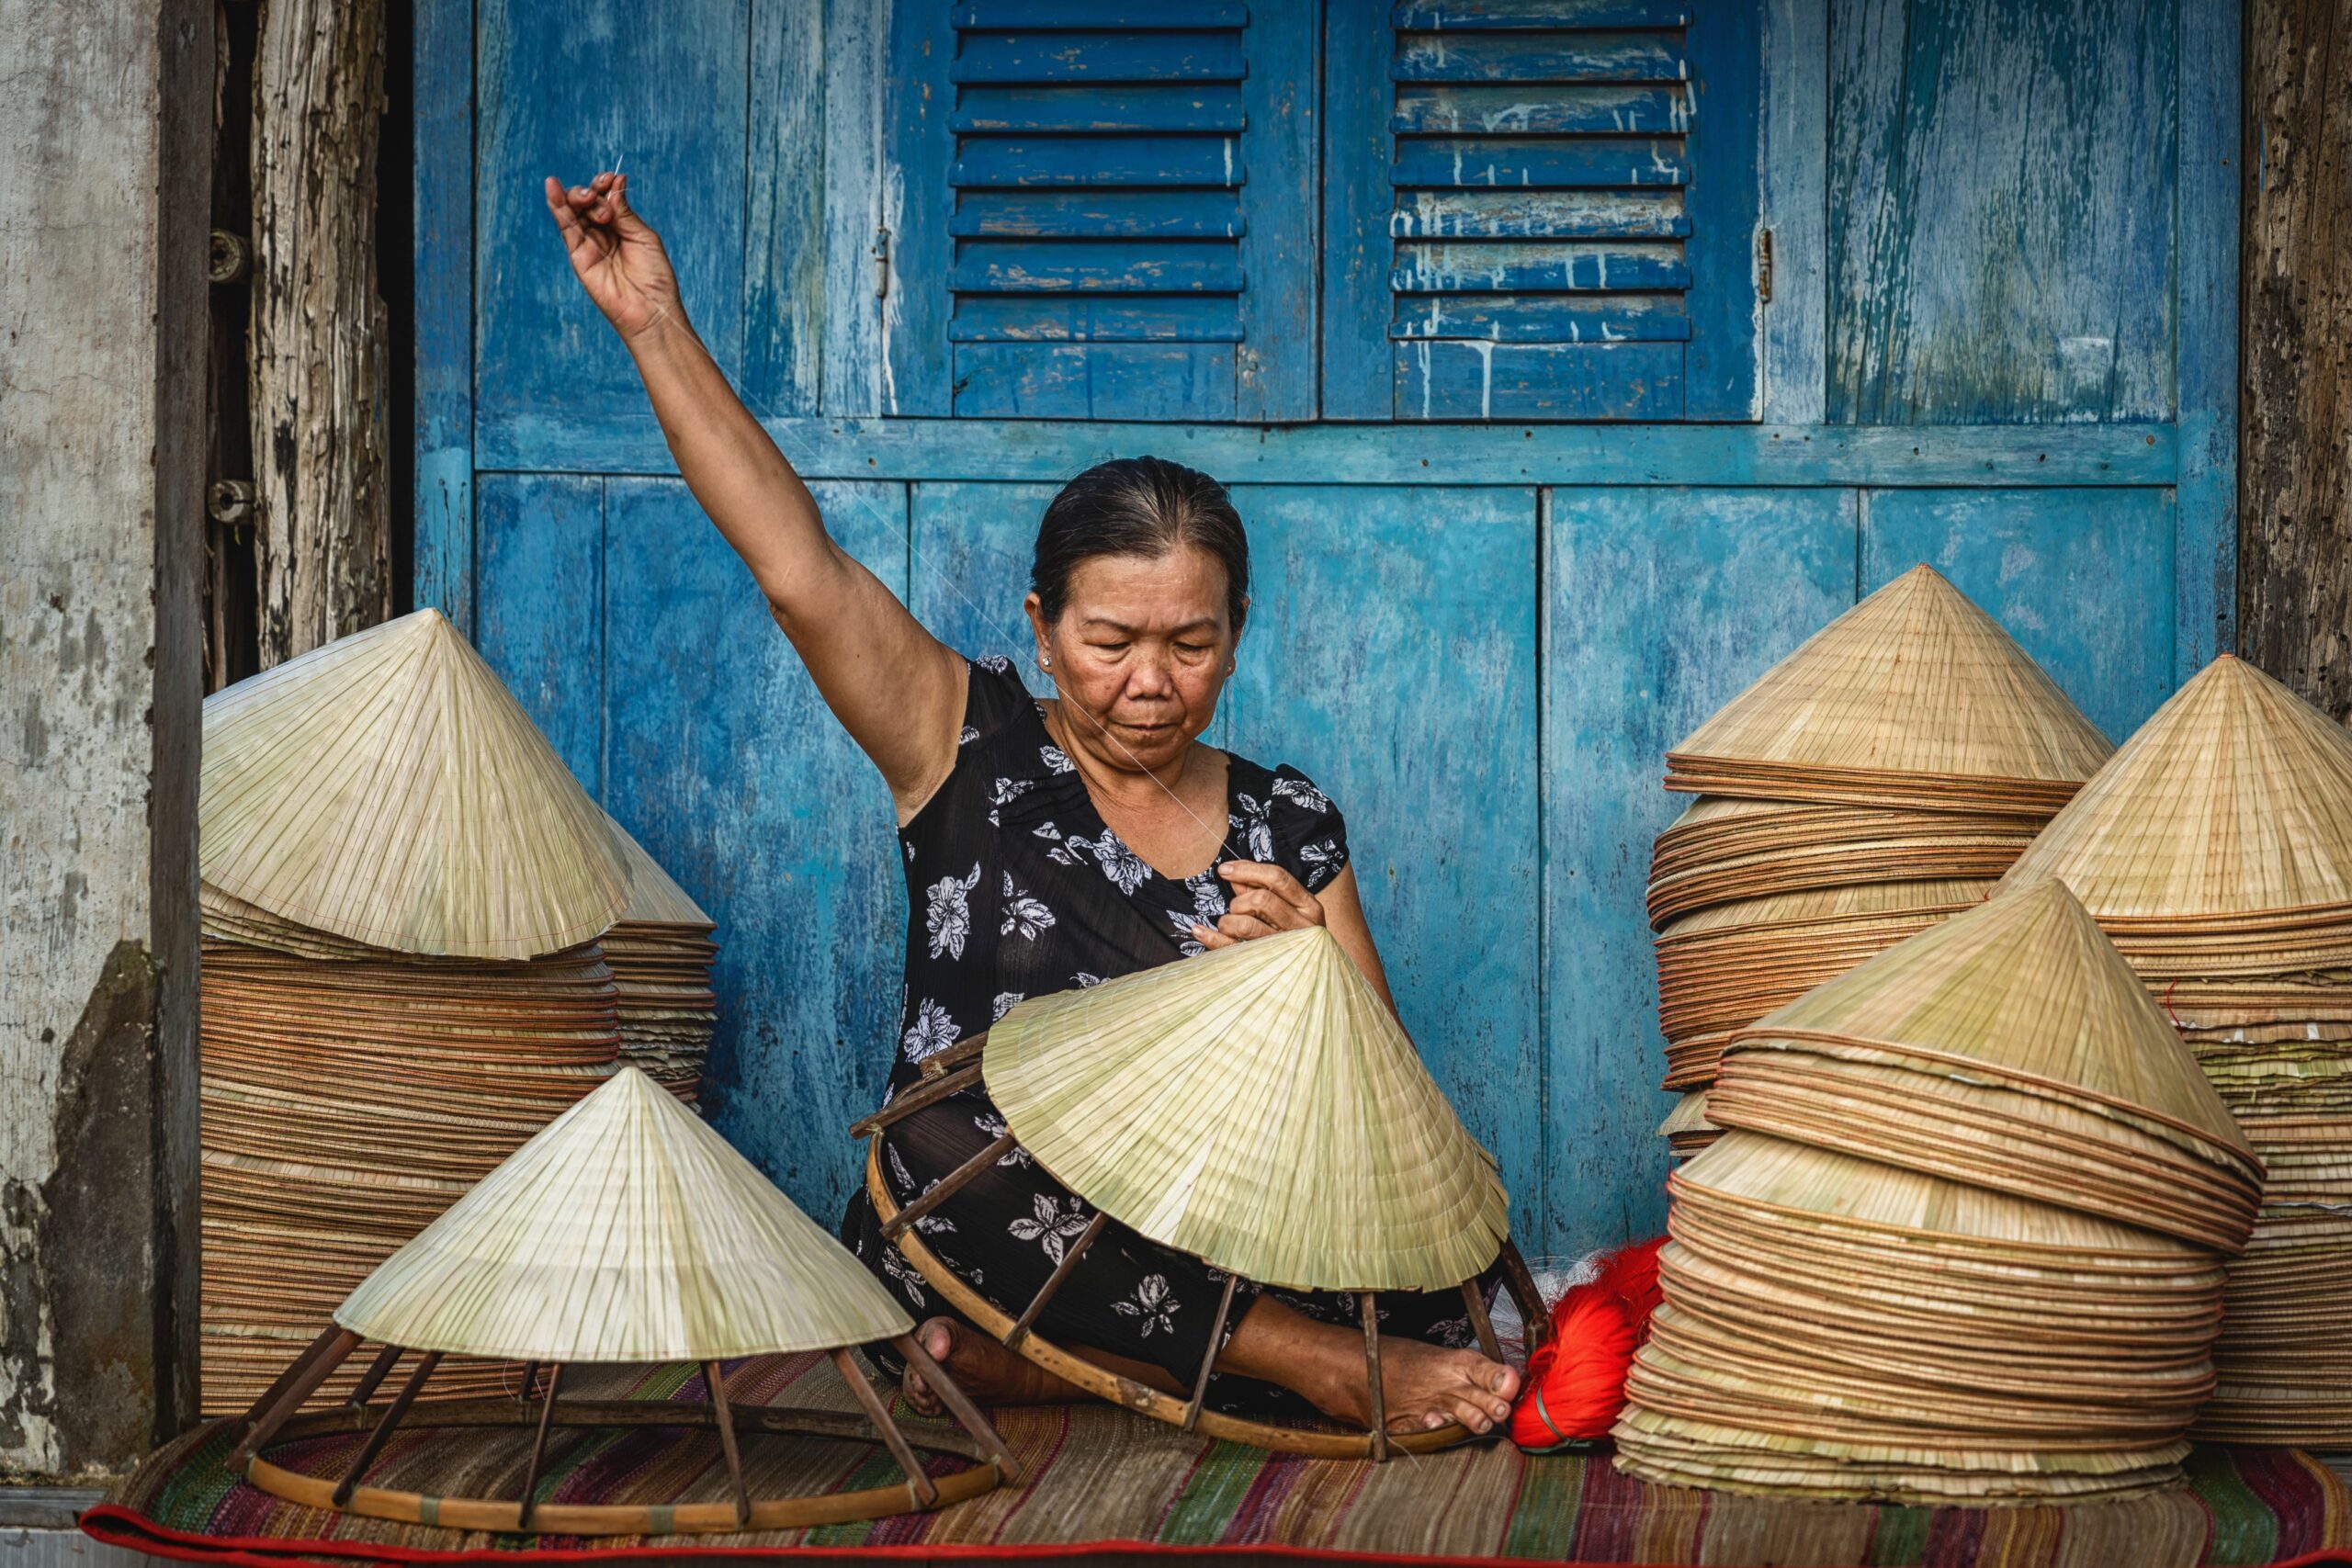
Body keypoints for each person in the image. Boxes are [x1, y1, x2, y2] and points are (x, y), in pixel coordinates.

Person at [547, 170, 1521, 1436]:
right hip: (991, 1214)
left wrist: (1306, 981)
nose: (1152, 684)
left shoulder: (1289, 820)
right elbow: (799, 574)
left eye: (1192, 642)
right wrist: (654, 324)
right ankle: (1301, 1360)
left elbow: (1387, 1113)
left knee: (1445, 1274)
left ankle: (1055, 1361)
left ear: (1238, 636)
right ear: (1044, 632)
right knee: (940, 1153)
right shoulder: (967, 741)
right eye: (1112, 640)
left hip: (1214, 1224)